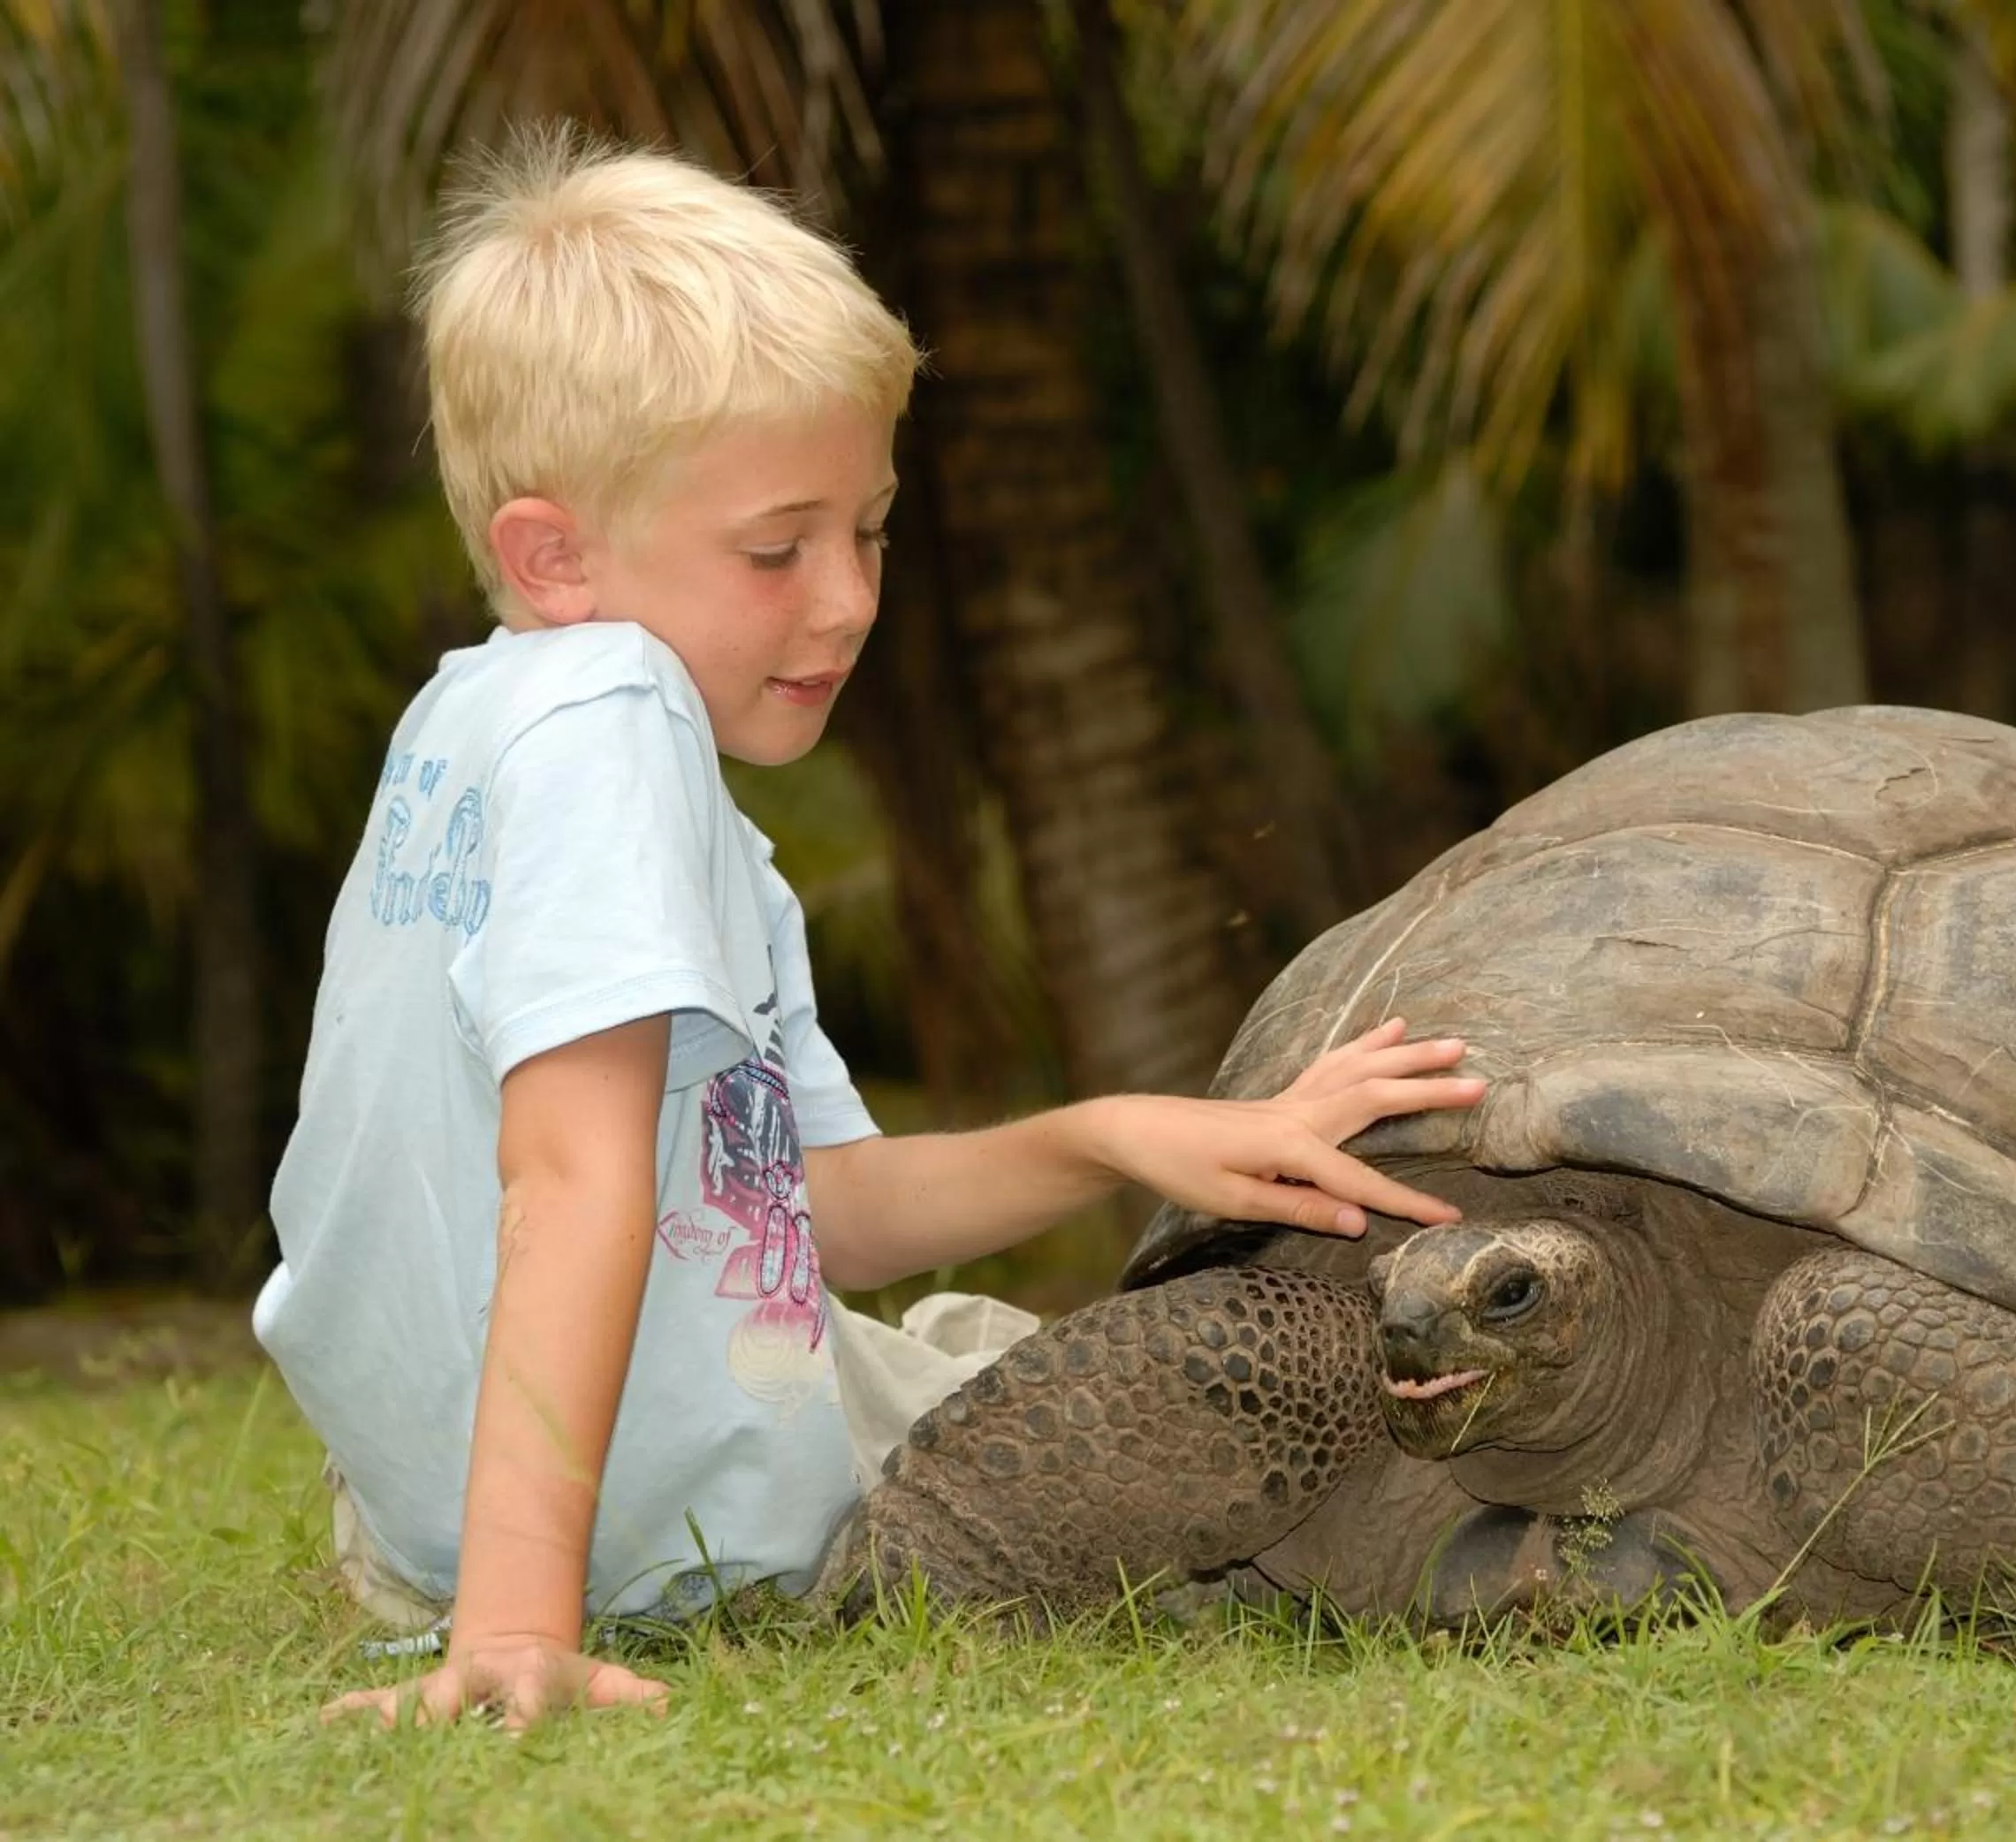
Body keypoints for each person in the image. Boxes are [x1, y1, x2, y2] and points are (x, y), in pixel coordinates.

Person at [255, 125, 1485, 1732]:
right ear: (552, 556)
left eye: (871, 530)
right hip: (624, 1534)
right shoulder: (613, 720)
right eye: (777, 549)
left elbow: (808, 1219)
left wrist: (1112, 1136)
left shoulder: (473, 732)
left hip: (429, 1514)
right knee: (1236, 1409)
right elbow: (566, 1174)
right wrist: (511, 1629)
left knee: (962, 1348)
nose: (845, 599)